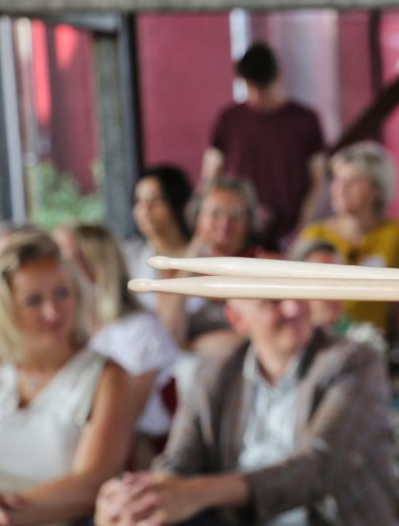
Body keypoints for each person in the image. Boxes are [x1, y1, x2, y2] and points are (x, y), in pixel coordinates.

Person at [94, 279, 399, 526]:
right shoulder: (214, 374)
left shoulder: (352, 361)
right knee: (158, 525)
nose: (294, 308)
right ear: (238, 320)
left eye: (298, 294)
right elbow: (179, 464)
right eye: (273, 302)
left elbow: (319, 467)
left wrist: (196, 493)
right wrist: (131, 503)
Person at [0, 231, 135, 526]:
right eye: (34, 301)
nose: (53, 312)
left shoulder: (106, 376)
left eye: (61, 294)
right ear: (5, 308)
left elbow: (90, 485)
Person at [56, 223, 179, 463]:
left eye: (65, 259)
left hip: (137, 456)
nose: (56, 269)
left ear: (95, 267)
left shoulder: (141, 329)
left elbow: (124, 418)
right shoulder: (67, 333)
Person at [298, 142, 399, 385]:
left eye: (352, 181)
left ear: (377, 190)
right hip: (320, 342)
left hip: (373, 346)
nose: (340, 189)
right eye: (337, 180)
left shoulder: (398, 235)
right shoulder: (315, 235)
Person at [202, 42, 328, 246]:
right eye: (251, 87)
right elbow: (210, 177)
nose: (258, 95)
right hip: (238, 232)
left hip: (290, 234)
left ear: (279, 77)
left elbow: (318, 180)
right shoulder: (229, 119)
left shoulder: (305, 120)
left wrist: (301, 228)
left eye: (264, 87)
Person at [156, 176, 259, 356]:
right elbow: (167, 335)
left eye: (235, 215)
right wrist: (191, 258)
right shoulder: (174, 269)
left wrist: (194, 345)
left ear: (248, 223)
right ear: (198, 217)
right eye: (215, 213)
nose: (225, 223)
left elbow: (260, 335)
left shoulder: (261, 265)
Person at [290, 239, 388, 359]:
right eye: (323, 281)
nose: (335, 291)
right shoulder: (285, 341)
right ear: (298, 286)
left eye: (342, 281)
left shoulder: (366, 340)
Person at [125, 164, 194, 309]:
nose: (145, 209)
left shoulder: (203, 254)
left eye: (155, 200)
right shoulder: (130, 256)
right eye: (138, 201)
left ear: (176, 204)